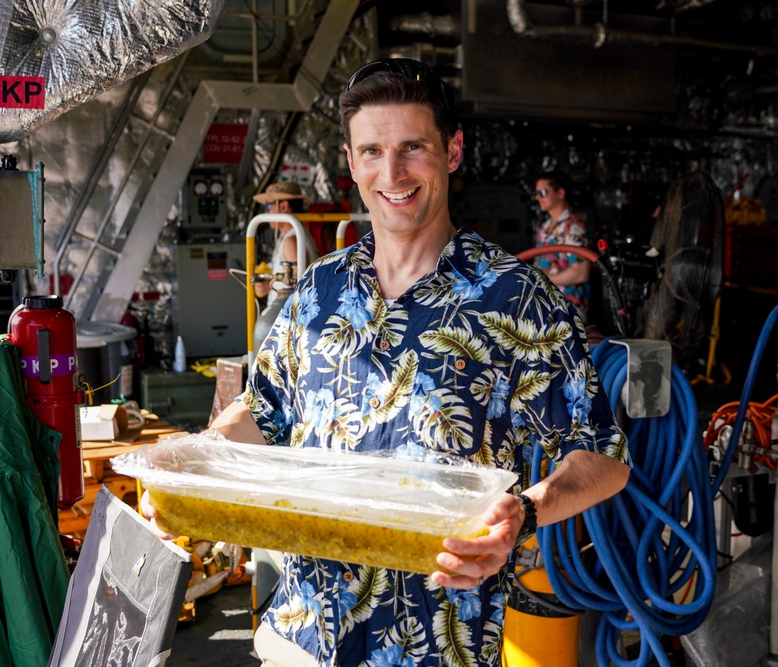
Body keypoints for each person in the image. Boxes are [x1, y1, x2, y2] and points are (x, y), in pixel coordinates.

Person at [143, 58, 630, 666]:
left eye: (412, 148)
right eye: (372, 151)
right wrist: (192, 463)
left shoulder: (515, 298)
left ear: (452, 152)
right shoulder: (318, 290)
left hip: (437, 643)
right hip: (304, 635)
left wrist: (525, 512)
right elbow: (262, 412)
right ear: (352, 162)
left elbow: (603, 456)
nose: (392, 173)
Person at [533, 170, 592, 317]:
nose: (537, 197)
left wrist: (540, 280)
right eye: (537, 193)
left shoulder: (574, 227)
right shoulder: (545, 228)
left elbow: (580, 273)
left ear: (560, 193)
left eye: (542, 192)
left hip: (568, 308)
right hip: (544, 304)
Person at [252, 181, 320, 304]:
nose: (266, 213)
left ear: (283, 207)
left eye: (268, 207)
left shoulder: (291, 240)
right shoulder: (291, 235)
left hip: (286, 313)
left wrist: (269, 285)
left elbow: (298, 285)